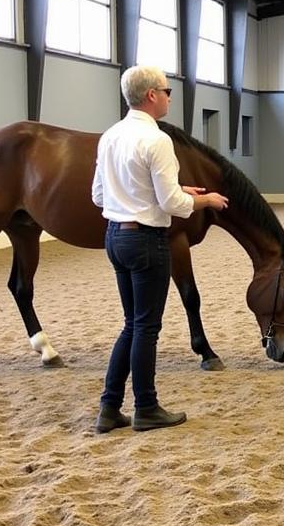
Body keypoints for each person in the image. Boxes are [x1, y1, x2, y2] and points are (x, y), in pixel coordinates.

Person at [91, 65, 229, 433]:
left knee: (131, 325)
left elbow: (99, 194)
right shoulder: (157, 140)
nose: (170, 95)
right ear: (152, 95)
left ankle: (109, 408)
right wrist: (207, 200)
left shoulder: (110, 136)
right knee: (147, 328)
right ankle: (147, 407)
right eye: (167, 90)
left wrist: (180, 191)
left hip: (115, 236)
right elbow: (173, 205)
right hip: (146, 241)